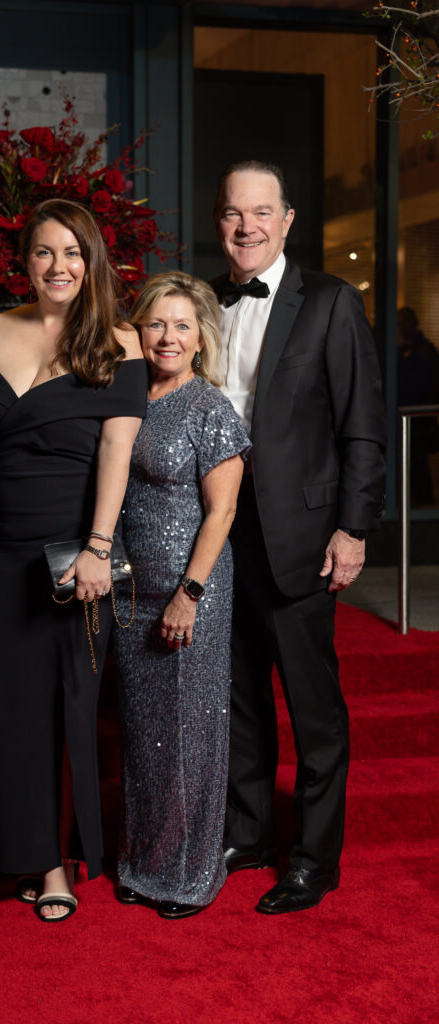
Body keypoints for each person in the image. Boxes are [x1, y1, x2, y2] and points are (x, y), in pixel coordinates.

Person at [211, 160, 387, 914]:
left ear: (286, 221)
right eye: (231, 213)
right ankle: (248, 837)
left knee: (313, 709)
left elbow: (362, 429)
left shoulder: (330, 302)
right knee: (241, 699)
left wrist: (353, 528)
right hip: (218, 535)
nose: (245, 226)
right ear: (219, 222)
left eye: (260, 212)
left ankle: (315, 859)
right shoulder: (201, 302)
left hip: (304, 535)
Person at [0, 198, 146, 922]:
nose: (58, 266)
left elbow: (117, 449)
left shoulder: (120, 342)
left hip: (73, 555)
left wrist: (98, 549)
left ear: (93, 262)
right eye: (44, 252)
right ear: (24, 261)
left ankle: (59, 866)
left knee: (67, 709)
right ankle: (22, 851)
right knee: (5, 711)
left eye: (72, 253)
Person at [114, 271, 249, 919]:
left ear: (200, 338)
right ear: (137, 329)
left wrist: (188, 594)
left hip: (187, 592)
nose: (167, 336)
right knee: (144, 735)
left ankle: (190, 874)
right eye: (156, 323)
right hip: (127, 591)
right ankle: (142, 861)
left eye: (181, 325)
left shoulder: (209, 408)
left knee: (186, 735)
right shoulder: (126, 395)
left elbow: (221, 514)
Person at [396, 306, 439, 505]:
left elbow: (425, 387)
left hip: (418, 422)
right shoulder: (403, 351)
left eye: (405, 323)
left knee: (418, 467)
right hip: (406, 421)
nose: (402, 328)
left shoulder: (423, 351)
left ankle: (424, 509)